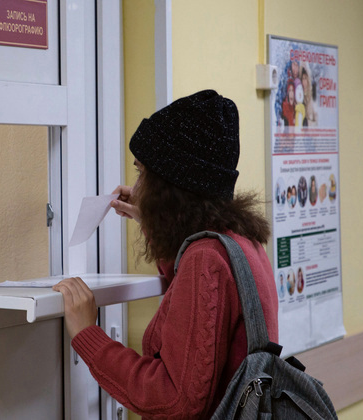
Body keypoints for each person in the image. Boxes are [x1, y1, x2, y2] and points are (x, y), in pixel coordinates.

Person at [53, 90, 279, 419]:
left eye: (142, 174)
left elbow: (175, 400)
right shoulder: (239, 242)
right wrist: (150, 218)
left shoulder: (206, 260)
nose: (137, 186)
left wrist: (89, 335)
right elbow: (198, 314)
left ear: (168, 188)